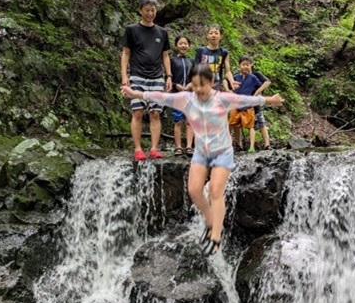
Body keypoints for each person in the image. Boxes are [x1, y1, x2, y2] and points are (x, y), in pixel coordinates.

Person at [121, 64, 284, 256]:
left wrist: (270, 100)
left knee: (215, 190)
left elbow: (246, 99)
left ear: (211, 83)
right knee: (193, 190)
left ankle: (216, 235)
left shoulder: (222, 99)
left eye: (203, 85)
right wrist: (135, 94)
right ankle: (209, 221)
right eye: (195, 85)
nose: (198, 89)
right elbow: (160, 96)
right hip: (201, 152)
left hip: (223, 151)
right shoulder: (185, 99)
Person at [121, 0, 173, 161]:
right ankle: (137, 148)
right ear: (140, 11)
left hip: (157, 77)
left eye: (153, 10)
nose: (151, 13)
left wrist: (169, 76)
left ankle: (154, 148)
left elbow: (165, 56)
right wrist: (124, 76)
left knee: (155, 113)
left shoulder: (162, 32)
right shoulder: (132, 30)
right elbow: (126, 53)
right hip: (137, 75)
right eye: (147, 10)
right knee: (137, 112)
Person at [229, 56, 262, 153]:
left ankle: (251, 146)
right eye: (243, 65)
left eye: (247, 65)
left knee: (250, 126)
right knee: (234, 124)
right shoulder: (235, 77)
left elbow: (259, 88)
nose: (245, 67)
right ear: (239, 66)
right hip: (236, 105)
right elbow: (230, 88)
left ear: (250, 65)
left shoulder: (253, 78)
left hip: (248, 106)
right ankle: (238, 144)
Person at [194, 24, 239, 92]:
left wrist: (232, 81)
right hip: (202, 85)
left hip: (217, 86)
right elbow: (196, 69)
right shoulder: (201, 51)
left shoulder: (224, 53)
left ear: (221, 36)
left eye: (216, 33)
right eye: (211, 33)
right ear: (207, 36)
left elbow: (227, 71)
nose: (213, 35)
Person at [170, 35, 195, 156]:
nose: (183, 45)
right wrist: (175, 85)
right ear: (176, 46)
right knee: (178, 121)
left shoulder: (192, 61)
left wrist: (191, 84)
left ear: (189, 46)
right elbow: (168, 77)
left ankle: (189, 146)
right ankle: (178, 146)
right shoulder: (172, 61)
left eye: (185, 43)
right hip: (177, 95)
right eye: (180, 43)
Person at [250, 67, 273, 150]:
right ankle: (244, 145)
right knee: (248, 124)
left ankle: (267, 144)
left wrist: (258, 91)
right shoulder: (241, 76)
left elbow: (267, 82)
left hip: (256, 101)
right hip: (246, 102)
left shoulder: (256, 74)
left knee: (261, 123)